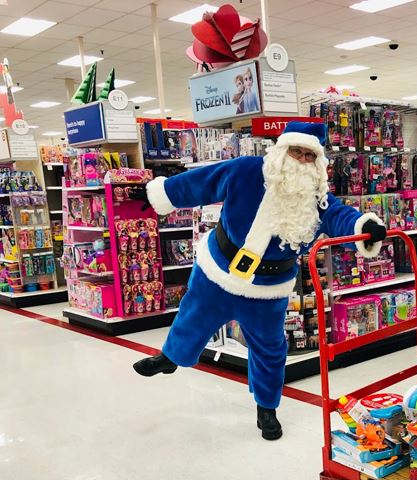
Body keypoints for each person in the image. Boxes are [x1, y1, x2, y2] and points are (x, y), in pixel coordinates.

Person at [132, 122, 386, 440]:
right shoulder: (246, 170)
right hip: (219, 272)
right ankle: (171, 358)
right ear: (282, 150)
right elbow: (203, 181)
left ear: (318, 162)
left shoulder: (318, 197)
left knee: (269, 349)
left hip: (268, 290)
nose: (302, 161)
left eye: (310, 156)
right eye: (297, 152)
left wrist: (365, 226)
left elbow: (339, 217)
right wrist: (164, 194)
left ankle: (267, 409)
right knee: (192, 318)